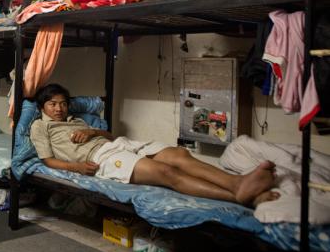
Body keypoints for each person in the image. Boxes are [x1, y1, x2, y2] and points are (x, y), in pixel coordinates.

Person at [30, 83, 280, 207]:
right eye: (53, 104)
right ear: (43, 107)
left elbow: (109, 135)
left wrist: (91, 130)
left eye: (63, 103)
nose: (59, 108)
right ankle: (240, 198)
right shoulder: (40, 126)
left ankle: (238, 183)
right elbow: (47, 161)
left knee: (178, 154)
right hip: (101, 160)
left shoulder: (78, 119)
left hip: (117, 144)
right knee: (166, 173)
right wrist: (77, 168)